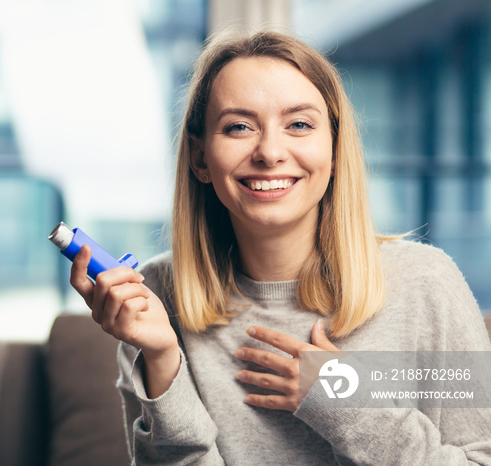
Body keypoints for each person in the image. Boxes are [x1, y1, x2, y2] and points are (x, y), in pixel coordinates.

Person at [70, 30, 491, 464]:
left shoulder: (427, 285)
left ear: (334, 147)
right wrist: (161, 360)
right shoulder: (154, 298)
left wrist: (343, 398)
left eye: (299, 125)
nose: (270, 152)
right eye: (239, 127)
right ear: (200, 159)